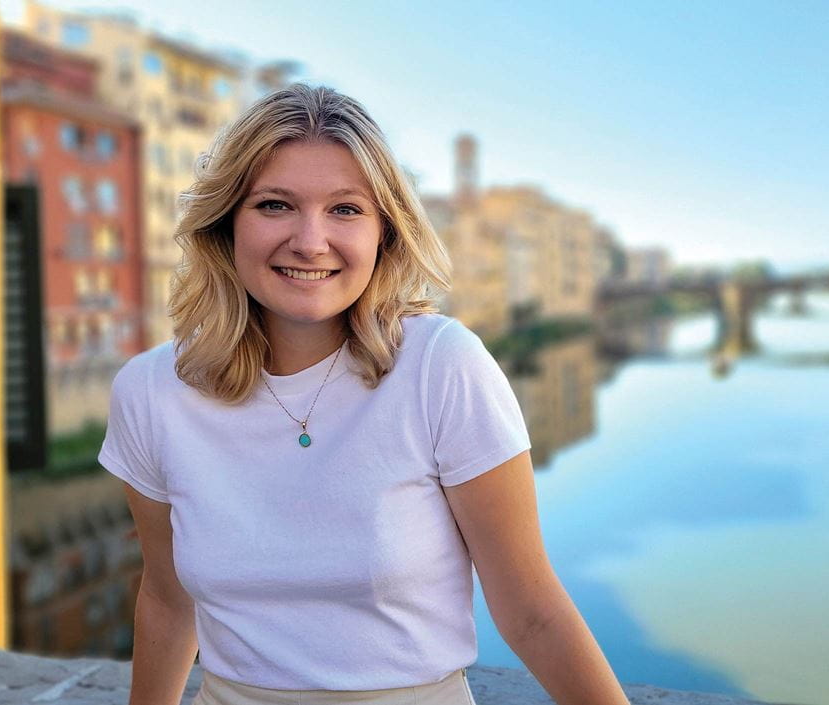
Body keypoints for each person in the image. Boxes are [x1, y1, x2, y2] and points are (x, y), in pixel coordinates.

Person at [99, 84, 630, 705]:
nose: (310, 240)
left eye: (345, 210)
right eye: (274, 205)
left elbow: (531, 610)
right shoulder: (151, 393)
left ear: (385, 232)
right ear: (224, 226)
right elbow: (166, 601)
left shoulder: (441, 366)